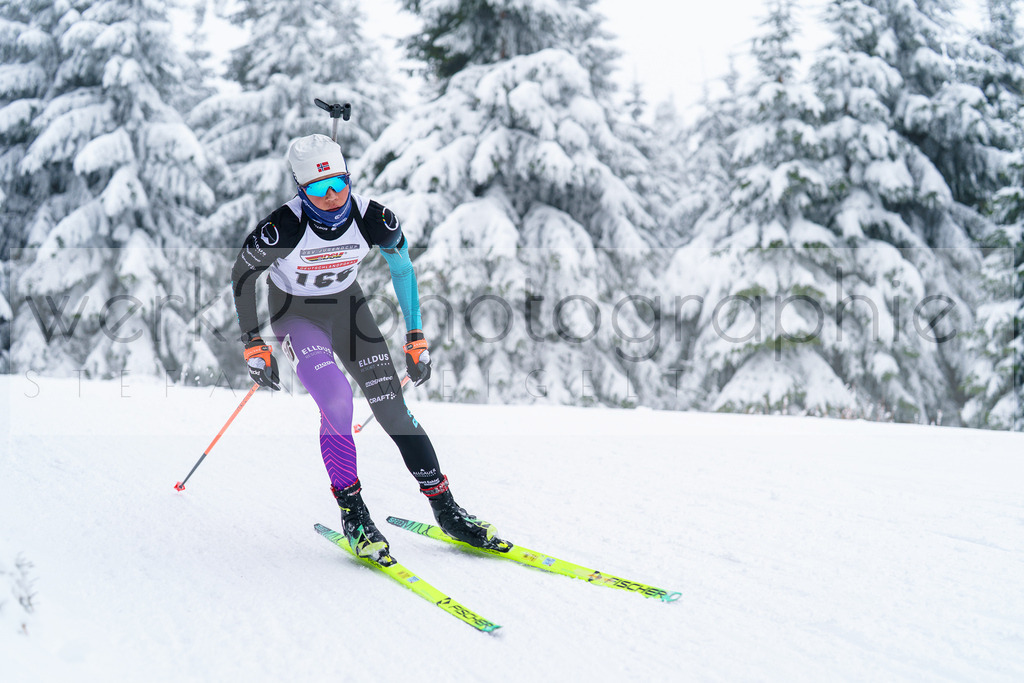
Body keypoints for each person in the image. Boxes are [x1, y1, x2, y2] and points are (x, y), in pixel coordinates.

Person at [231, 133, 497, 562]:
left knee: (392, 406)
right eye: (318, 188)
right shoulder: (281, 227)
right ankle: (354, 514)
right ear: (301, 190)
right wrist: (253, 345)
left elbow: (404, 271)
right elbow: (242, 276)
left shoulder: (376, 220)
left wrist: (415, 336)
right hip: (296, 316)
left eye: (339, 183)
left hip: (347, 310)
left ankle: (446, 509)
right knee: (337, 402)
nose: (332, 195)